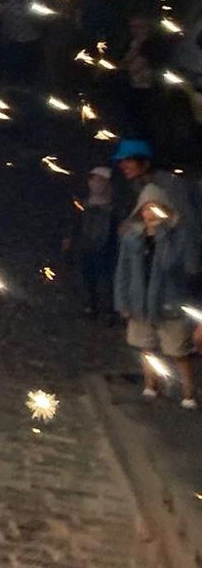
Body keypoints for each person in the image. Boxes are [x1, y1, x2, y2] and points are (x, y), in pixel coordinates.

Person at [113, 139, 199, 407]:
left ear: (144, 162)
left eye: (129, 161)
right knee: (146, 341)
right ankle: (153, 383)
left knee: (176, 344)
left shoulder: (169, 186)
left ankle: (187, 392)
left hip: (173, 280)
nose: (124, 166)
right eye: (123, 162)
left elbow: (188, 225)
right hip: (146, 281)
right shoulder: (139, 187)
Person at [63, 166, 119, 321]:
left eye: (100, 180)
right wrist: (69, 239)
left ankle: (108, 309)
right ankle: (90, 306)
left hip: (107, 247)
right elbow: (75, 223)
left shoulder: (113, 208)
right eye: (93, 179)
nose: (95, 183)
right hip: (86, 245)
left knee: (106, 279)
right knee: (87, 277)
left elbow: (117, 227)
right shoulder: (83, 205)